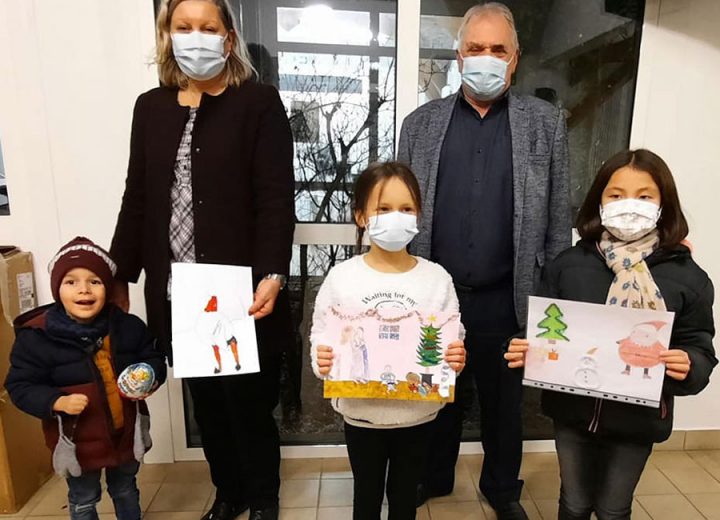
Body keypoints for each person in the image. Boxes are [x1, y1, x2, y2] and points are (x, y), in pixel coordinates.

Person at [109, 1, 295, 519]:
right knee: (208, 407)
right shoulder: (150, 107)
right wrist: (119, 272)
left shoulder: (258, 104)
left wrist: (273, 273)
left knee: (249, 404)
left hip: (241, 290)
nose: (195, 37)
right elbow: (137, 196)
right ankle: (229, 493)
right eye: (183, 27)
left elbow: (276, 198)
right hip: (177, 293)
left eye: (207, 27)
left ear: (228, 39)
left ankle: (263, 497)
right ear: (167, 35)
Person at [397, 3, 570, 517]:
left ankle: (502, 489)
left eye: (498, 49)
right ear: (459, 56)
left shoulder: (546, 124)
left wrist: (552, 302)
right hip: (436, 296)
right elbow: (400, 208)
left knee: (503, 408)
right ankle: (434, 477)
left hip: (507, 296)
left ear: (514, 58)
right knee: (437, 393)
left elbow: (557, 219)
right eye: (476, 48)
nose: (486, 58)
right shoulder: (419, 125)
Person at [505, 149, 717, 519]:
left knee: (613, 508)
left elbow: (699, 346)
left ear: (664, 205)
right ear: (599, 202)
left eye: (644, 196)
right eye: (616, 195)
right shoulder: (568, 266)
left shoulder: (687, 278)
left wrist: (690, 364)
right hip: (572, 413)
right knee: (573, 502)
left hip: (639, 419)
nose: (629, 205)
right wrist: (523, 349)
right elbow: (540, 330)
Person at [310, 162, 467, 520]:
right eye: (383, 208)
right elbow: (321, 333)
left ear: (418, 215)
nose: (396, 217)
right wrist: (322, 361)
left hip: (418, 415)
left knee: (404, 500)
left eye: (406, 208)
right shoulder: (342, 277)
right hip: (361, 415)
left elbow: (453, 337)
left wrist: (456, 358)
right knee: (365, 498)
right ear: (361, 216)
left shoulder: (436, 279)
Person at [5, 237, 167, 520]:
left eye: (95, 281)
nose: (84, 289)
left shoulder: (127, 326)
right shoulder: (37, 338)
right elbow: (20, 385)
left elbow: (153, 357)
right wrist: (56, 401)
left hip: (125, 435)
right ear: (57, 288)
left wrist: (151, 376)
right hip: (77, 443)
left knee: (126, 489)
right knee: (83, 499)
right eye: (71, 282)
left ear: (108, 288)